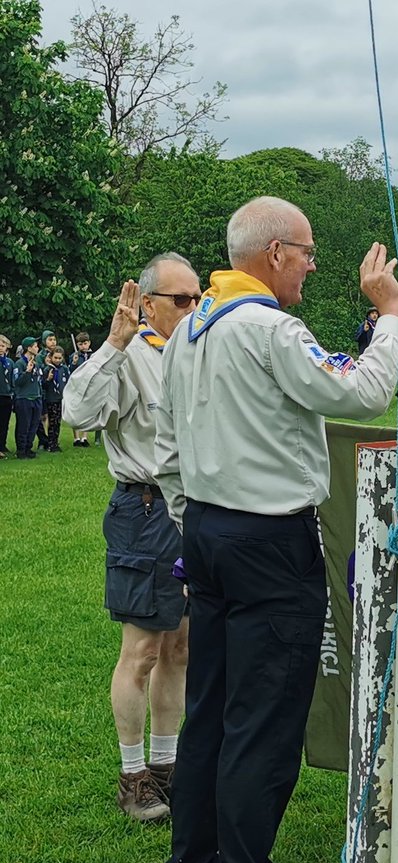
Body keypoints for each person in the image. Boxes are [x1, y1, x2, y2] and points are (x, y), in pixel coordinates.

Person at [153, 196, 398, 863]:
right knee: (261, 723)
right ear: (272, 255)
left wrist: (190, 517)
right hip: (268, 540)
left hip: (206, 531)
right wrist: (388, 314)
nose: (312, 263)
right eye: (306, 251)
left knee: (210, 714)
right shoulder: (268, 328)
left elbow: (167, 447)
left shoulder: (187, 329)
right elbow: (363, 390)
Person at [63, 253, 200, 823]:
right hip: (144, 510)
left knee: (181, 647)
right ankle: (132, 775)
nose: (194, 309)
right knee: (141, 651)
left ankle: (167, 768)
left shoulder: (194, 352)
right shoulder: (127, 358)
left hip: (193, 512)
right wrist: (112, 346)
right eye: (182, 300)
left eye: (200, 298)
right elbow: (76, 410)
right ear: (147, 304)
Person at [12, 337, 42, 459]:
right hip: (24, 398)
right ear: (29, 348)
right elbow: (17, 382)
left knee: (34, 425)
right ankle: (21, 450)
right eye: (35, 346)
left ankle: (29, 448)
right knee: (23, 425)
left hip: (36, 397)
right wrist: (27, 372)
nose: (37, 348)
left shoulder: (37, 363)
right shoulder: (19, 364)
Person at [66, 331, 95, 446]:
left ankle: (84, 437)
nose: (83, 346)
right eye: (80, 344)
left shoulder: (93, 356)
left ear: (89, 343)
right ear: (77, 345)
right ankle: (76, 438)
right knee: (76, 411)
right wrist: (73, 363)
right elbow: (70, 372)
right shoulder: (74, 356)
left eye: (85, 343)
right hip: (77, 387)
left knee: (87, 411)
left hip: (89, 386)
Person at [40, 346, 67, 452]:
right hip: (51, 399)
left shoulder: (64, 369)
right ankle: (51, 444)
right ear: (51, 357)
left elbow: (67, 382)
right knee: (52, 422)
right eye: (55, 358)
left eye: (59, 358)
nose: (57, 360)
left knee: (58, 422)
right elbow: (42, 385)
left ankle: (55, 442)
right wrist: (48, 379)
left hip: (60, 398)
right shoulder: (47, 369)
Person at [0, 335, 13, 459]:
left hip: (6, 395)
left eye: (3, 346)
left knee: (5, 423)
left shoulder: (9, 362)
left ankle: (2, 445)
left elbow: (12, 379)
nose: (0, 348)